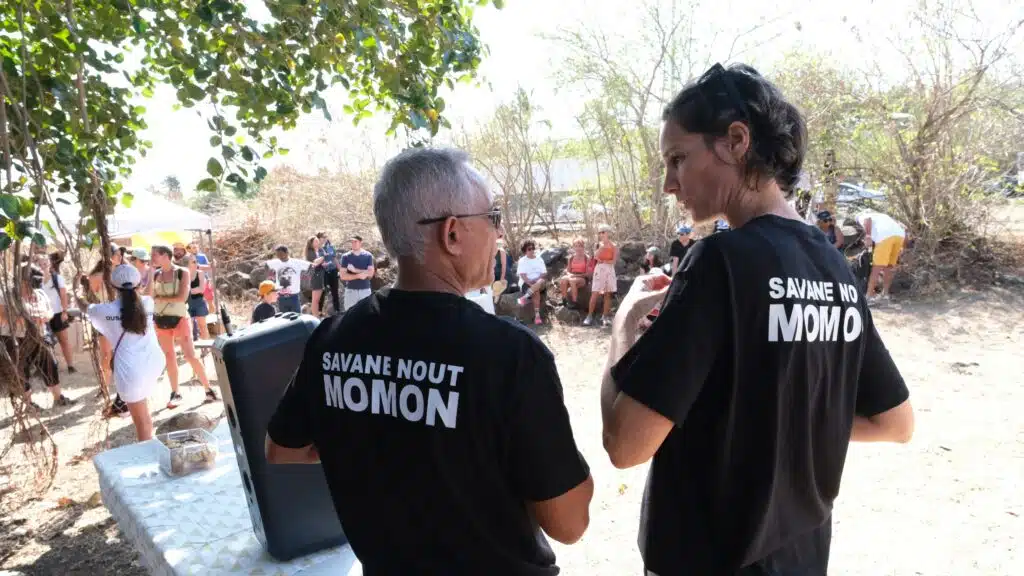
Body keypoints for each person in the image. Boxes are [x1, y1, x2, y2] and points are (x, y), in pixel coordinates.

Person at [599, 63, 914, 576]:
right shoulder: (835, 268)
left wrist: (623, 329)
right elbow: (894, 421)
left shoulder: (719, 261)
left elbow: (625, 444)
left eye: (678, 158)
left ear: (735, 141)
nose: (668, 184)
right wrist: (778, 420)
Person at [265, 147, 593, 574]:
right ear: (452, 233)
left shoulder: (332, 338)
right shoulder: (509, 354)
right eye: (492, 218)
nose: (498, 233)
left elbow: (281, 449)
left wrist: (376, 441)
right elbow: (569, 523)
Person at [87, 264, 164, 441]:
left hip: (131, 370)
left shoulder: (103, 311)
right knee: (145, 416)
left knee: (141, 422)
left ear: (113, 286)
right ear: (138, 284)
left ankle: (148, 457)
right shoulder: (148, 303)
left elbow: (88, 308)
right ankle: (150, 447)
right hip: (153, 362)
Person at [0, 264, 75, 410]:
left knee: (50, 364)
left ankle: (58, 397)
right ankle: (28, 404)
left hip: (39, 336)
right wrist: (24, 319)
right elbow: (2, 316)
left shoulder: (39, 293)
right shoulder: (6, 295)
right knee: (20, 371)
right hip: (14, 338)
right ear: (21, 280)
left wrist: (43, 317)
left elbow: (50, 312)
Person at [151, 245, 216, 408]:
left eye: (155, 255)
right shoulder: (156, 274)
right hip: (161, 319)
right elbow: (149, 295)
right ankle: (175, 393)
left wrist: (160, 298)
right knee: (169, 357)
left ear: (165, 255)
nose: (152, 258)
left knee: (190, 355)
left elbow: (181, 297)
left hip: (180, 318)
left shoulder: (182, 272)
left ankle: (208, 389)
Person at [855, 210, 906, 301]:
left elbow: (867, 220)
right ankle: (885, 294)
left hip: (884, 236)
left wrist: (868, 236)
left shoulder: (863, 216)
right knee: (889, 267)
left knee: (876, 268)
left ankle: (868, 296)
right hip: (900, 235)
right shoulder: (881, 215)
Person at [41, 252, 76, 374]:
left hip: (57, 314)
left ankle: (70, 365)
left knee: (64, 340)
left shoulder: (57, 278)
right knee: (44, 343)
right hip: (42, 316)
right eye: (40, 262)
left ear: (50, 263)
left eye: (45, 261)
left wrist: (64, 311)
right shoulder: (35, 280)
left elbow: (63, 295)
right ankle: (47, 367)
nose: (43, 264)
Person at [585, 224, 618, 327]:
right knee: (595, 293)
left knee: (608, 294)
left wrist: (604, 260)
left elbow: (613, 261)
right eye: (600, 232)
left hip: (609, 270)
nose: (601, 234)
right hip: (599, 270)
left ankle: (605, 316)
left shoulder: (614, 246)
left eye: (603, 232)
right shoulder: (598, 245)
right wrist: (602, 247)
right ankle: (589, 316)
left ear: (608, 232)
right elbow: (595, 256)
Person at [264, 245, 311, 314]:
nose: (279, 257)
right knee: (284, 318)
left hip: (294, 296)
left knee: (296, 317)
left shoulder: (296, 262)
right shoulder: (276, 262)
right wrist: (269, 276)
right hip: (281, 296)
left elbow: (310, 266)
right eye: (277, 255)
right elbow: (266, 265)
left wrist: (306, 276)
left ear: (287, 253)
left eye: (281, 254)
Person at [515, 239, 548, 325]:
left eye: (533, 248)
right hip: (526, 283)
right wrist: (529, 282)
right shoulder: (522, 261)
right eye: (529, 249)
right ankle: (537, 317)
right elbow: (522, 275)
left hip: (539, 281)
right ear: (525, 250)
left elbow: (544, 272)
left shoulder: (539, 259)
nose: (532, 250)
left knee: (540, 281)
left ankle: (524, 298)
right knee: (535, 291)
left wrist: (537, 280)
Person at [339, 235, 375, 311]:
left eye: (355, 241)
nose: (353, 244)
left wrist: (355, 270)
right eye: (352, 242)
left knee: (366, 315)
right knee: (349, 316)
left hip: (365, 291)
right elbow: (342, 276)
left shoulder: (368, 256)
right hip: (351, 291)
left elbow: (370, 274)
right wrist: (359, 275)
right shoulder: (345, 257)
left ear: (360, 242)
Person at [558, 238, 591, 309]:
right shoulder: (571, 258)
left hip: (582, 278)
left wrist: (574, 275)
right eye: (576, 246)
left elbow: (587, 274)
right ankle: (564, 301)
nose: (578, 248)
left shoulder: (587, 258)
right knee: (563, 279)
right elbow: (568, 270)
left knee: (572, 280)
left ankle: (574, 303)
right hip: (572, 275)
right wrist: (569, 274)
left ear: (583, 247)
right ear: (573, 247)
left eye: (580, 246)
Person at [184, 256, 210, 340]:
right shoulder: (184, 274)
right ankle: (192, 348)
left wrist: (187, 290)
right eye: (193, 262)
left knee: (202, 326)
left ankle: (205, 347)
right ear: (187, 264)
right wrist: (193, 290)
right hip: (188, 303)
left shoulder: (200, 273)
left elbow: (201, 289)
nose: (196, 264)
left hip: (199, 302)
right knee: (188, 328)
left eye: (196, 261)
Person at [316, 231, 341, 315]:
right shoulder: (316, 248)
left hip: (333, 270)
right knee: (322, 292)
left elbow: (334, 258)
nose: (325, 239)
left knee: (335, 291)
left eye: (326, 237)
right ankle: (319, 312)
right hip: (323, 272)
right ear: (318, 238)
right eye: (323, 237)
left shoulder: (330, 246)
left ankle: (337, 311)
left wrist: (340, 270)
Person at [305, 236, 328, 317]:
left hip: (321, 276)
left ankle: (317, 315)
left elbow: (322, 263)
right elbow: (314, 263)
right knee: (315, 300)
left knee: (318, 299)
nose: (317, 243)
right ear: (311, 243)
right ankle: (315, 316)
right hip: (315, 277)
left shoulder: (320, 251)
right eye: (315, 241)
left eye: (318, 241)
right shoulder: (309, 252)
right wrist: (323, 257)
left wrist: (324, 263)